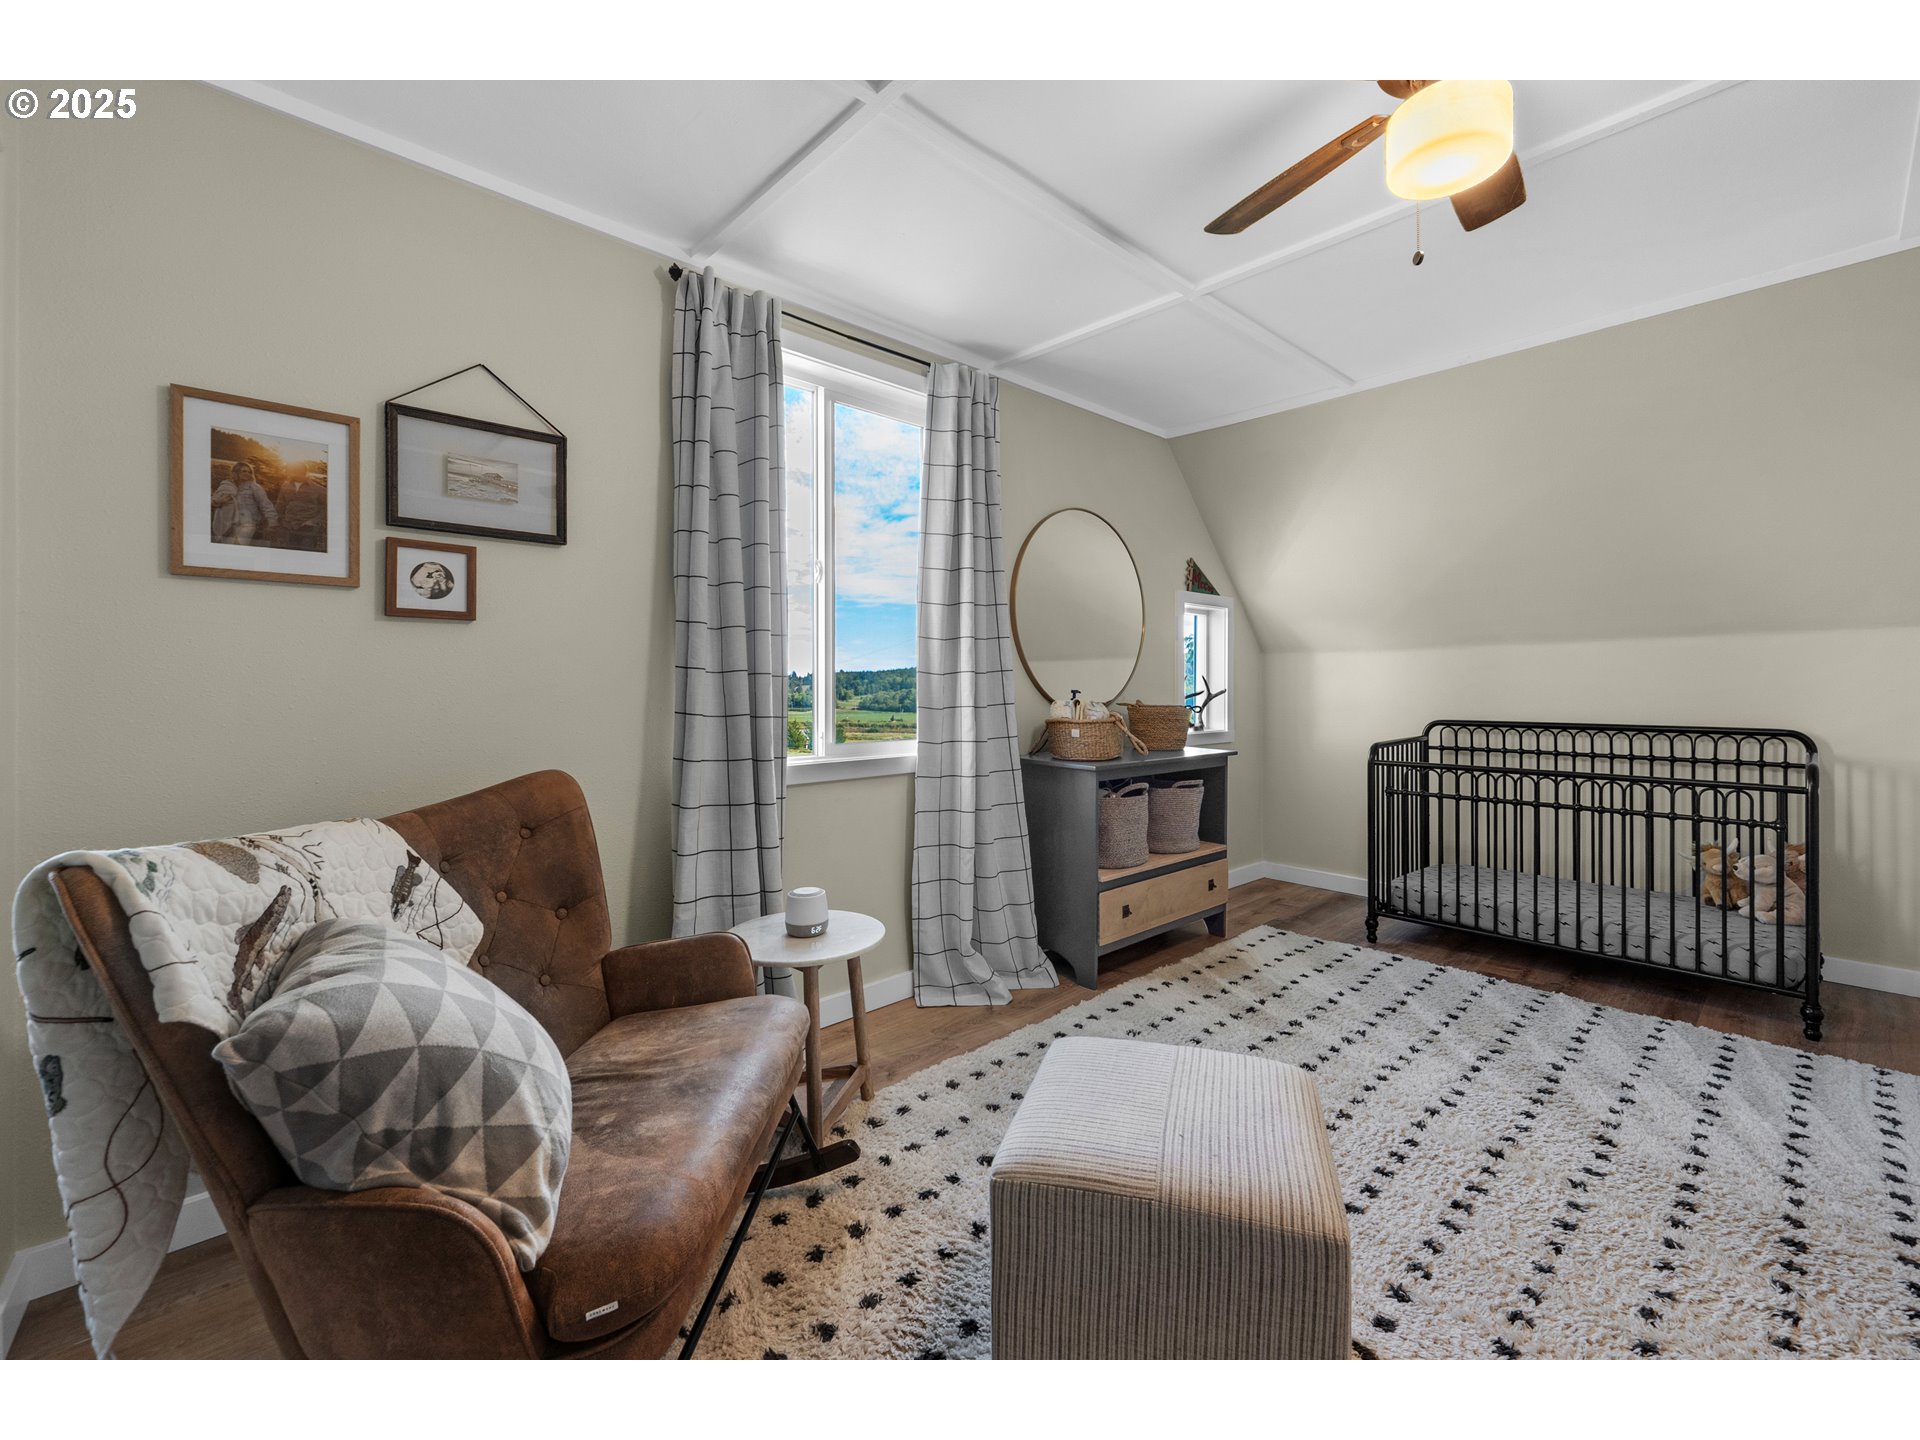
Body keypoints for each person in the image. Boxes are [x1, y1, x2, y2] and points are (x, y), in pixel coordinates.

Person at [210, 460, 276, 546]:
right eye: (244, 471)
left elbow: (265, 504)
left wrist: (272, 522)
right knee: (226, 547)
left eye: (249, 472)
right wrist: (219, 501)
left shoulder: (255, 487)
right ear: (236, 472)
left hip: (248, 524)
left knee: (238, 546)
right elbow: (213, 501)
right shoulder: (226, 486)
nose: (247, 474)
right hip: (228, 524)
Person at [275, 464, 326, 551]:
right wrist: (276, 521)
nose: (288, 473)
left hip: (308, 528)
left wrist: (314, 521)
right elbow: (280, 505)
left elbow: (326, 508)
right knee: (288, 553)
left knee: (305, 554)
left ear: (303, 472)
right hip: (288, 526)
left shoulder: (318, 489)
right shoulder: (285, 486)